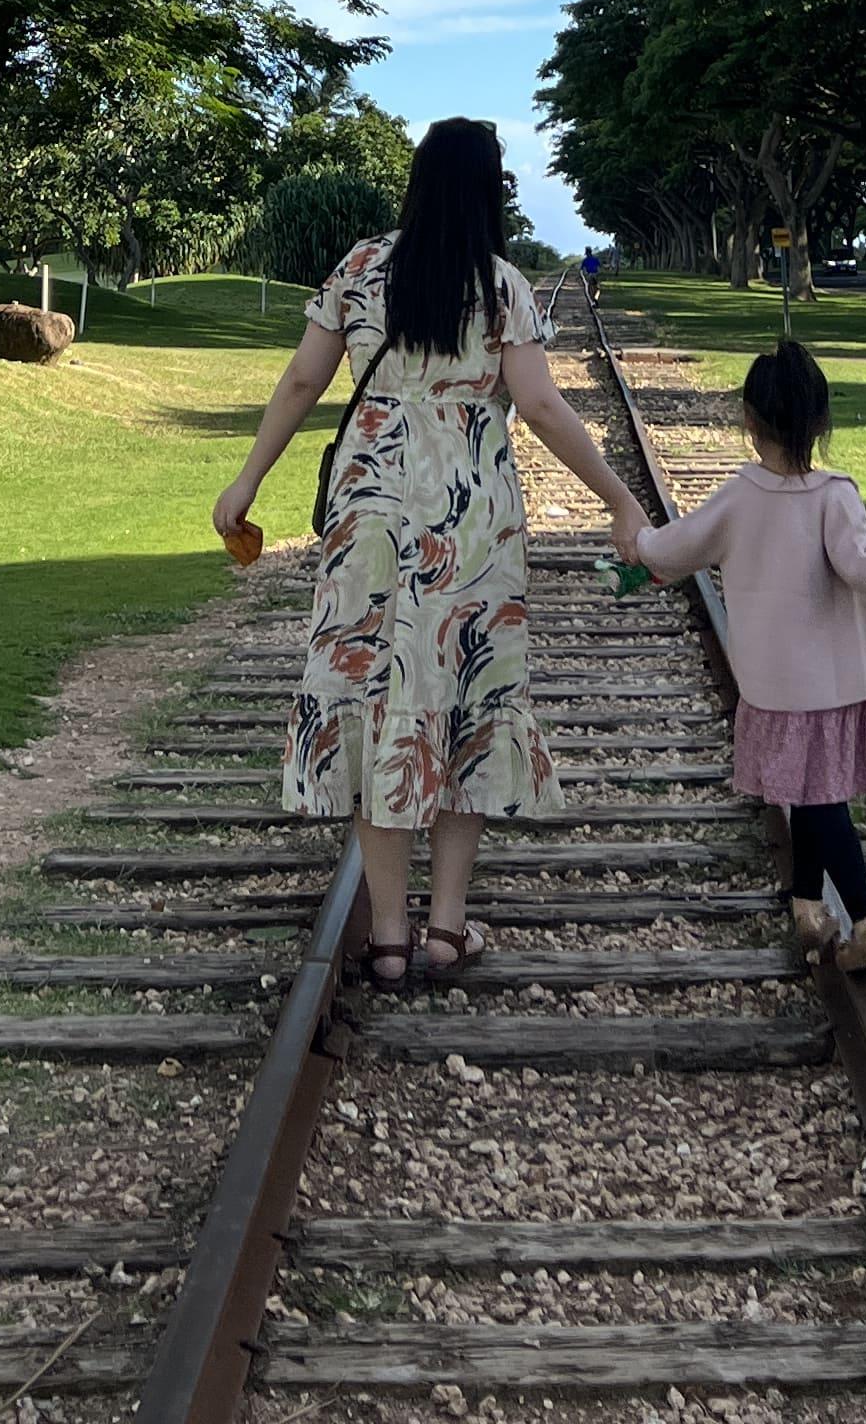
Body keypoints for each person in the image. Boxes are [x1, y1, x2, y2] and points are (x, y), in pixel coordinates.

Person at [213, 119, 647, 987]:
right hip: (471, 519)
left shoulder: (362, 267)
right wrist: (619, 499)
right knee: (466, 700)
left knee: (379, 700)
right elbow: (544, 406)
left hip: (367, 513)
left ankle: (385, 937)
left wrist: (248, 482)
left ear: (414, 183)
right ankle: (445, 928)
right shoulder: (502, 286)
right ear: (490, 190)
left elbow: (303, 380)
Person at [632, 336, 866, 964]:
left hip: (777, 688)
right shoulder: (836, 497)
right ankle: (806, 906)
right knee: (809, 792)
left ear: (748, 420)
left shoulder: (739, 498)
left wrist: (635, 541)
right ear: (822, 423)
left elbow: (674, 550)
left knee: (817, 799)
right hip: (836, 684)